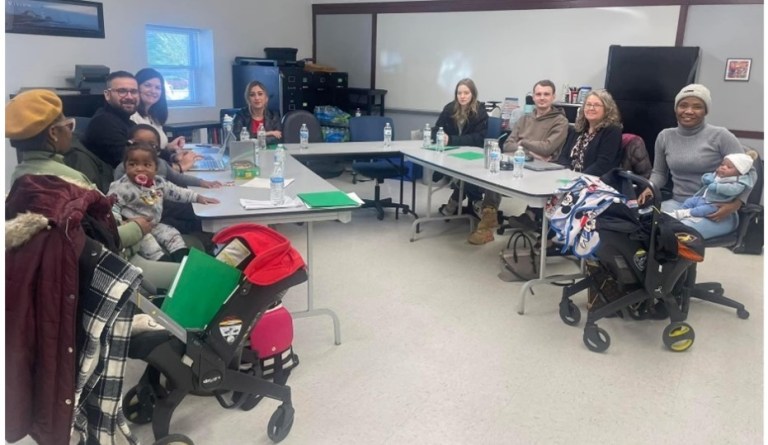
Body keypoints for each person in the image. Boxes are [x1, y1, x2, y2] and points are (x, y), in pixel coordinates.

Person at [6, 88, 180, 289]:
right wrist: (137, 228)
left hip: (87, 264)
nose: (71, 132)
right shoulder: (68, 180)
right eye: (69, 126)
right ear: (54, 134)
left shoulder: (20, 174)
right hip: (117, 262)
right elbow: (95, 241)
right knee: (200, 274)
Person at [638, 84, 753, 239]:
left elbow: (750, 173)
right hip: (679, 204)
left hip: (716, 209)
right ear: (676, 109)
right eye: (683, 105)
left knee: (672, 233)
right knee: (639, 222)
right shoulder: (665, 136)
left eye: (697, 106)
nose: (689, 111)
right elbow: (659, 173)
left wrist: (736, 205)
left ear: (706, 111)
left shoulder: (721, 136)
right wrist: (650, 188)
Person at [468, 79, 569, 245]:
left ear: (553, 97)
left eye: (546, 94)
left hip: (542, 169)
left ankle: (528, 216)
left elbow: (547, 148)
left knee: (503, 168)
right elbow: (507, 145)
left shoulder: (560, 121)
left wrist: (522, 142)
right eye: (538, 94)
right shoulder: (524, 119)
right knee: (494, 171)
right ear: (533, 97)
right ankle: (488, 220)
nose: (542, 98)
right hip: (519, 162)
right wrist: (531, 151)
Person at [108, 142, 220, 262]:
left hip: (155, 224)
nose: (139, 168)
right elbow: (110, 208)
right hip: (137, 227)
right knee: (150, 245)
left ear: (155, 169)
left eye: (147, 165)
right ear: (125, 167)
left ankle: (182, 261)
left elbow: (177, 192)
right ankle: (165, 263)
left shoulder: (158, 183)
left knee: (173, 235)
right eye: (133, 164)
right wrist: (122, 223)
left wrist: (197, 197)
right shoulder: (122, 187)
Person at [434, 78, 489, 216]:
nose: (462, 96)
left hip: (473, 155)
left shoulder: (480, 111)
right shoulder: (449, 108)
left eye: (466, 93)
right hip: (450, 154)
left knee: (466, 172)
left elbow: (478, 139)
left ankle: (457, 201)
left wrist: (451, 139)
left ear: (473, 94)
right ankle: (475, 203)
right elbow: (436, 129)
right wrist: (441, 135)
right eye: (459, 93)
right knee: (461, 171)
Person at [114, 124, 222, 189]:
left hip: (164, 204)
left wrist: (201, 182)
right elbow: (117, 197)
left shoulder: (161, 164)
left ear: (158, 150)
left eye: (151, 145)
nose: (144, 148)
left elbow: (179, 178)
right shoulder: (123, 169)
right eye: (139, 143)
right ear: (128, 146)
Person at [131, 68, 198, 172]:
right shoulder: (133, 117)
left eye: (158, 87)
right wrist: (180, 166)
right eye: (147, 85)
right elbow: (143, 157)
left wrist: (170, 148)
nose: (153, 91)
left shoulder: (153, 117)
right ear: (136, 87)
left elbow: (156, 151)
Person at [667, 152, 755, 220]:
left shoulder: (737, 181)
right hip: (702, 198)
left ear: (740, 172)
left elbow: (732, 190)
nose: (723, 167)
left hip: (715, 204)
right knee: (689, 201)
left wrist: (717, 187)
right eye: (722, 164)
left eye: (729, 167)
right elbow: (708, 177)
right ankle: (680, 212)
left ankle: (686, 214)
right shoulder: (719, 174)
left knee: (701, 211)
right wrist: (706, 178)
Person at [555, 89, 622, 176]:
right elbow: (563, 156)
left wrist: (578, 178)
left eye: (596, 105)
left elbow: (603, 165)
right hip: (568, 177)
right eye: (588, 104)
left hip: (593, 179)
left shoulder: (612, 131)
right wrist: (567, 174)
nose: (591, 108)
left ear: (607, 109)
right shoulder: (577, 129)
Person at [83, 70, 140, 168]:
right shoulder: (103, 123)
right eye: (122, 91)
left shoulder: (129, 123)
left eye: (134, 92)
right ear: (107, 95)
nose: (129, 97)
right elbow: (133, 162)